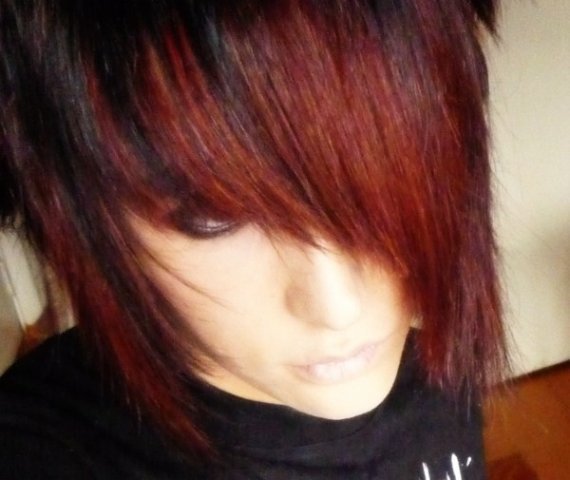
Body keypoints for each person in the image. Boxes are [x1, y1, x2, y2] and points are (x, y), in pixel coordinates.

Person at [0, 1, 508, 478]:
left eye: (393, 168)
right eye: (210, 216)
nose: (338, 309)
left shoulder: (435, 372)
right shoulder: (45, 447)